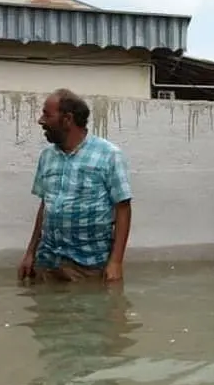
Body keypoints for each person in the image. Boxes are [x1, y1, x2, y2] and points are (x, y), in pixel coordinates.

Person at [17, 89, 133, 285]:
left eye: (47, 114)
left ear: (67, 119)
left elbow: (123, 207)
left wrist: (116, 262)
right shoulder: (47, 156)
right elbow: (46, 205)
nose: (41, 121)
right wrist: (30, 253)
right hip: (48, 262)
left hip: (89, 266)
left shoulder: (109, 155)